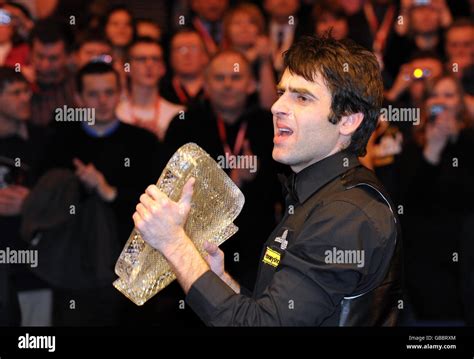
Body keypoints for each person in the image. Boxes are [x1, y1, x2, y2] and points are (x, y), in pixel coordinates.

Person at [134, 35, 401, 326]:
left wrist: (174, 244)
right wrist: (218, 280)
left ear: (348, 120)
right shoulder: (317, 196)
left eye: (301, 97)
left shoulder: (346, 214)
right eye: (281, 92)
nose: (276, 107)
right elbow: (275, 313)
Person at [117, 37, 184, 141]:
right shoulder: (115, 114)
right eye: (141, 59)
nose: (149, 65)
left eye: (155, 59)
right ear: (127, 68)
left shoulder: (178, 114)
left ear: (163, 68)